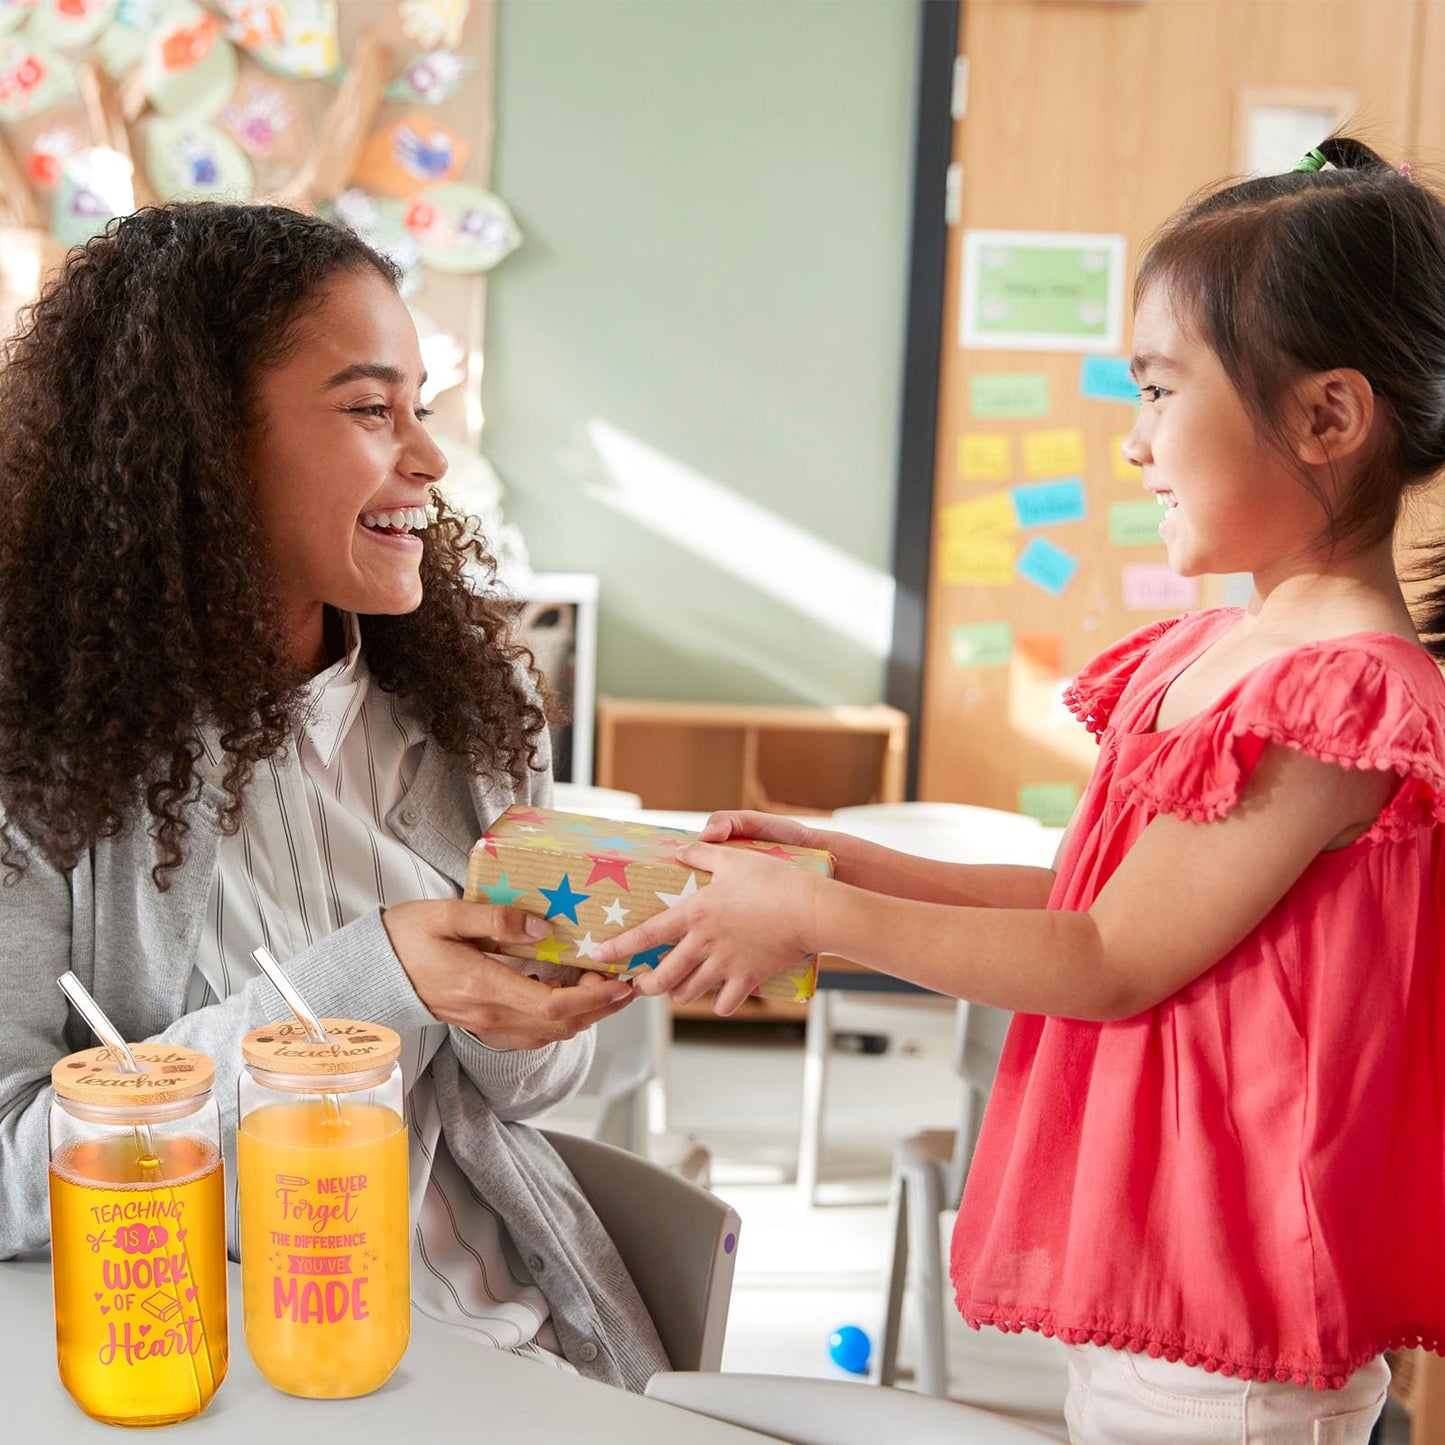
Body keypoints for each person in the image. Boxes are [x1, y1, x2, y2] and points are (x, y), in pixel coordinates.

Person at [597, 136, 1445, 1441]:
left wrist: (814, 918)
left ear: (1329, 418)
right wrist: (837, 862)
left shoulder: (1339, 707)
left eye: (1160, 392)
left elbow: (1106, 956)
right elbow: (1094, 895)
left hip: (1242, 1338)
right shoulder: (1223, 651)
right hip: (1167, 1285)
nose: (1131, 444)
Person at [0, 201, 669, 1391]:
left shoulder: (477, 704)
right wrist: (374, 979)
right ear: (197, 441)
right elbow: (7, 1171)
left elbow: (535, 1092)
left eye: (421, 404)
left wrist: (531, 1005)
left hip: (499, 1348)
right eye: (371, 408)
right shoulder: (38, 755)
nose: (426, 456)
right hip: (197, 1372)